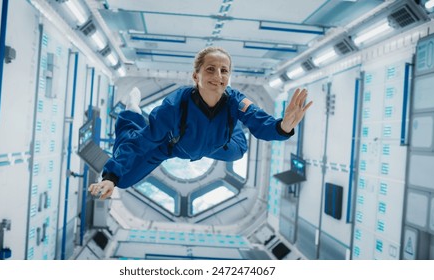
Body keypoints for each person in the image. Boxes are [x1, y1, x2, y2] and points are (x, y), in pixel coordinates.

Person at [89, 46, 313, 199]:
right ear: (196, 76)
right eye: (210, 69)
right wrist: (110, 177)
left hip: (223, 143)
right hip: (172, 146)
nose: (218, 75)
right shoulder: (175, 104)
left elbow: (260, 122)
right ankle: (132, 112)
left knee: (239, 151)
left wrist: (283, 127)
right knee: (124, 178)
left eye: (224, 70)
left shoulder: (235, 99)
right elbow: (142, 142)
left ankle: (226, 124)